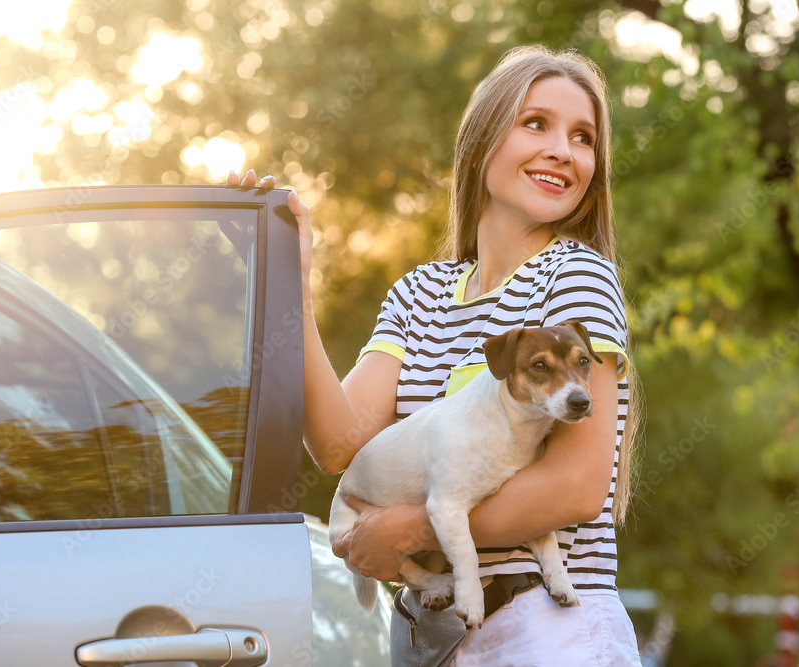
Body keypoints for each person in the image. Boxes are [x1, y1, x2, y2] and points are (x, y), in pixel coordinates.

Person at [231, 43, 642, 666]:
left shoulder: (576, 278)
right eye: (536, 123)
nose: (564, 149)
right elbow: (341, 446)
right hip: (431, 636)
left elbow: (579, 489)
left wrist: (416, 530)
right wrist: (290, 283)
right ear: (481, 142)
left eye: (583, 137)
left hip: (544, 629)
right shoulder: (419, 293)